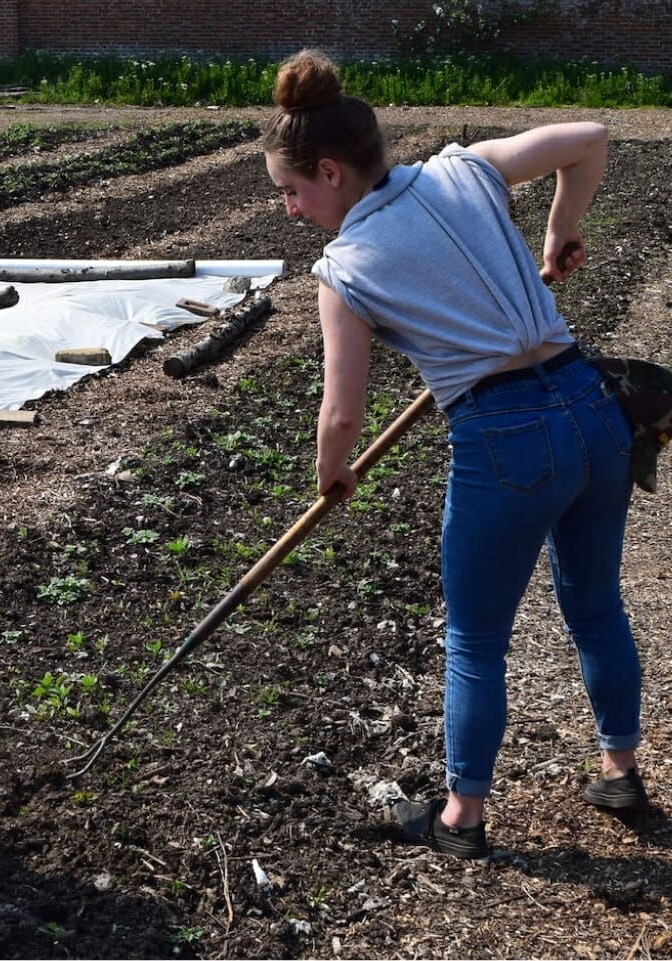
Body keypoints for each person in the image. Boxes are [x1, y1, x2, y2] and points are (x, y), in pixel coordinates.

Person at [262, 49, 647, 860]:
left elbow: (342, 412)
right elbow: (590, 137)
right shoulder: (464, 170)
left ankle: (461, 819)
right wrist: (561, 225)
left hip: (506, 439)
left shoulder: (344, 269)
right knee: (596, 604)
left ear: (330, 173)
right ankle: (620, 768)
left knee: (476, 640)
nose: (291, 209)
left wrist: (331, 472)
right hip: (590, 406)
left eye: (290, 192)